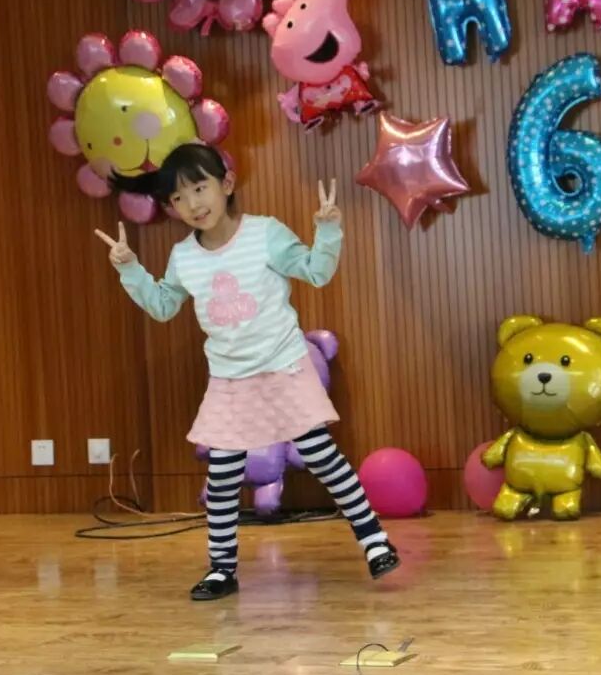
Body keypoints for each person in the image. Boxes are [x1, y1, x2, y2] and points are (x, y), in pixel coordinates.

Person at [95, 143, 399, 601]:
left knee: (321, 456)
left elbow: (315, 272)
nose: (193, 203)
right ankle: (222, 569)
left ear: (227, 184)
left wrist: (328, 230)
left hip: (283, 365)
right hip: (230, 381)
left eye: (200, 188)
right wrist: (130, 269)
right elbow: (162, 306)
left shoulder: (265, 233)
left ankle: (375, 541)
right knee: (222, 478)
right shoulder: (184, 256)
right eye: (179, 197)